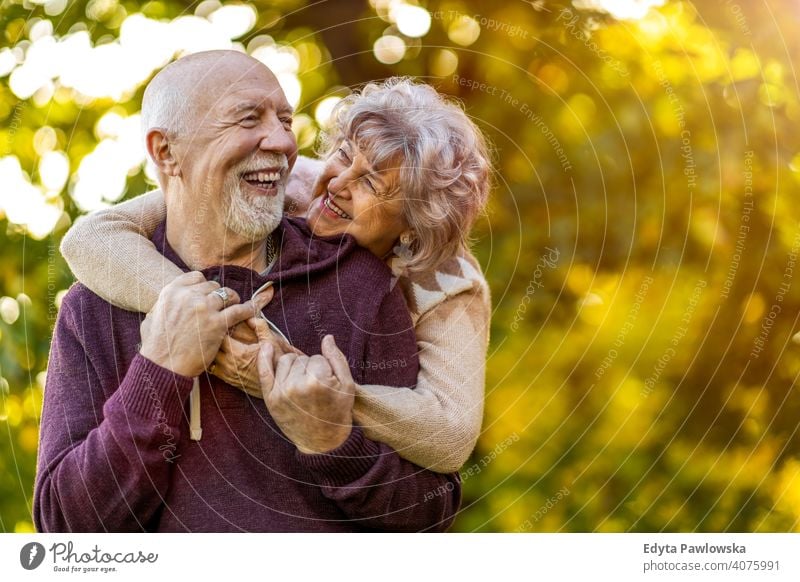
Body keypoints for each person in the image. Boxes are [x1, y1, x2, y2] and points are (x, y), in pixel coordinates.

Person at [34, 50, 461, 532]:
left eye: (285, 120)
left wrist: (334, 443)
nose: (281, 142)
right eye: (247, 119)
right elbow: (64, 531)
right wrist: (159, 371)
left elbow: (430, 518)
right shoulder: (92, 308)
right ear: (166, 152)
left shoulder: (361, 286)